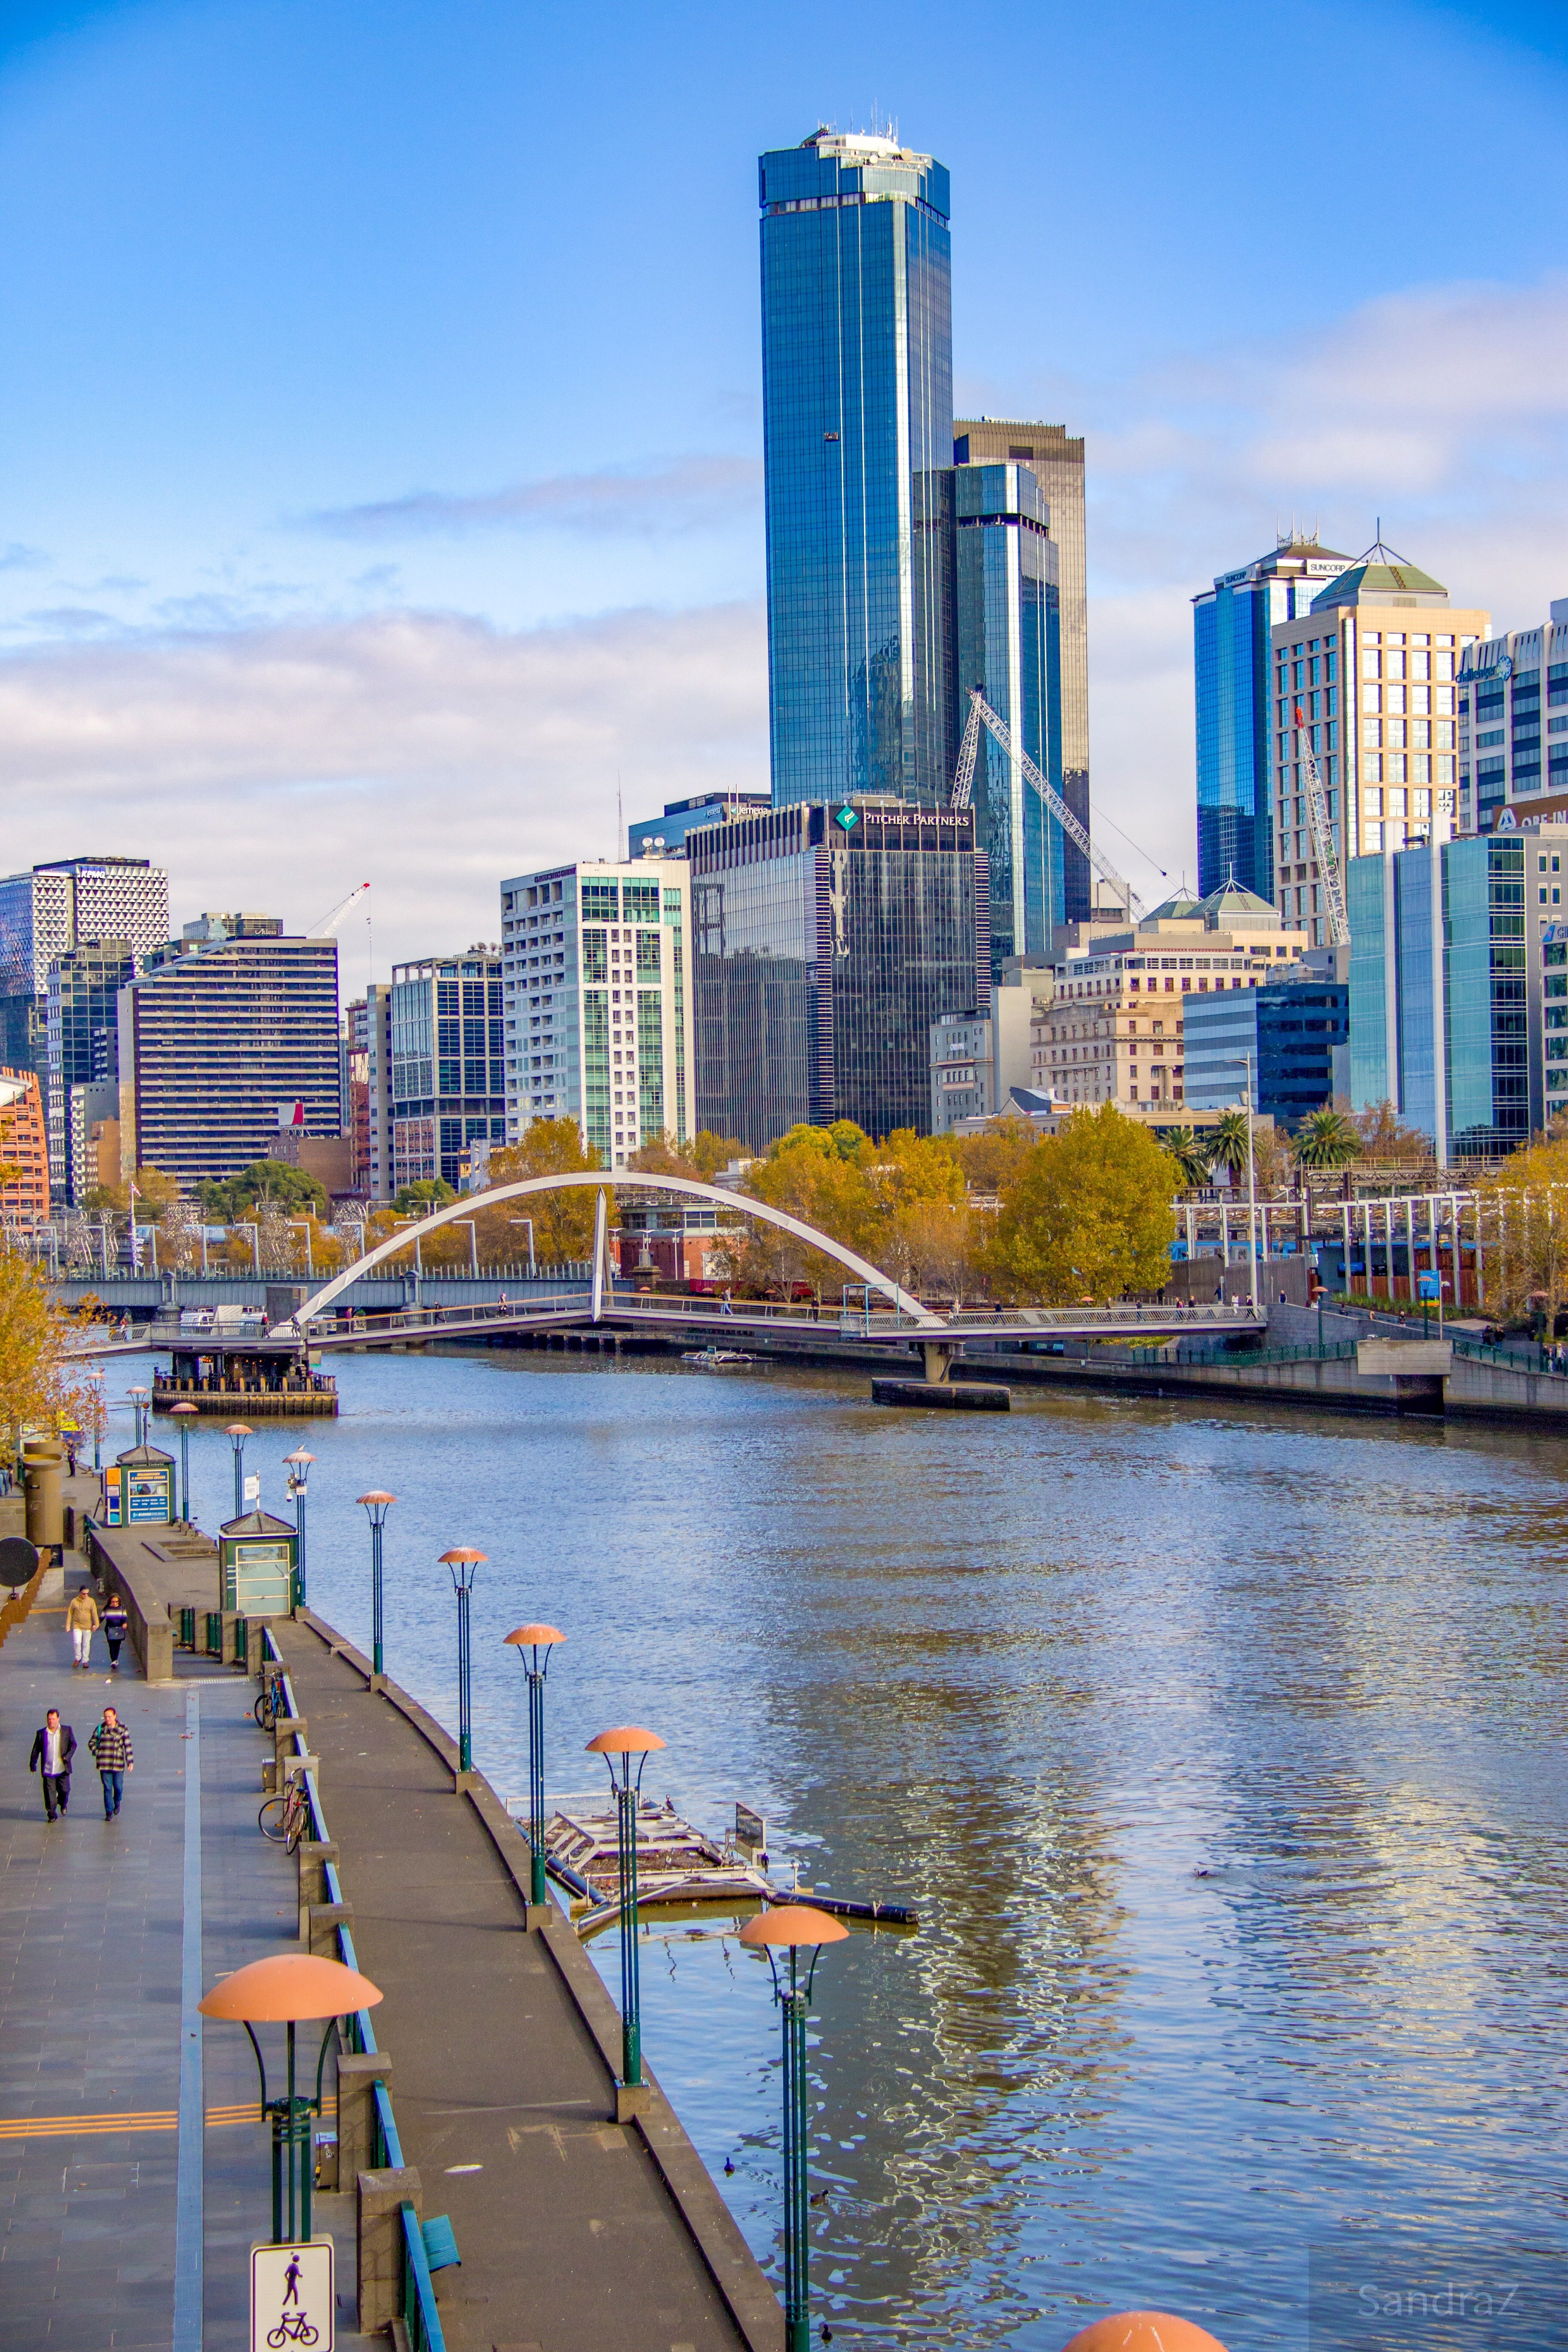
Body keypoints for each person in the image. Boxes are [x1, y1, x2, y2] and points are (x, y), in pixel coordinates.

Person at [29, 1708, 76, 1820]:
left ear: (58, 1719)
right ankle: (52, 1814)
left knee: (65, 1791)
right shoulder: (41, 1734)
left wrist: (67, 1757)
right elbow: (36, 1750)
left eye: (53, 1719)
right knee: (50, 1795)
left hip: (63, 1769)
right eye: (49, 1719)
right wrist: (33, 1764)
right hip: (48, 1770)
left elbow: (73, 1745)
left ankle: (63, 1804)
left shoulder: (67, 1730)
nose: (51, 1721)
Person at [88, 1706, 133, 1817]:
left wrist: (130, 1762)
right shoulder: (100, 1729)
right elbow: (91, 1743)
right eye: (106, 1717)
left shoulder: (122, 1728)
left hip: (118, 1764)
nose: (108, 1719)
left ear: (115, 1716)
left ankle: (117, 1803)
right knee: (107, 1788)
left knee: (118, 1787)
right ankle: (109, 1811)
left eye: (110, 1717)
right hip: (104, 1764)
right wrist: (98, 1752)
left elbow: (128, 1746)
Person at [65, 1585, 100, 1671]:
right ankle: (78, 1658)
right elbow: (70, 1613)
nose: (86, 1595)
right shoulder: (74, 1601)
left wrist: (96, 1624)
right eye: (84, 1594)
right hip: (77, 1625)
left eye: (87, 1594)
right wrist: (68, 1625)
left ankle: (85, 1661)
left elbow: (94, 1613)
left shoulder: (91, 1601)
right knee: (77, 1642)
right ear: (80, 1593)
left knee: (86, 1644)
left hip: (88, 1626)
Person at [101, 1592, 129, 1672]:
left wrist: (125, 1623)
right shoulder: (107, 1608)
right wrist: (96, 1625)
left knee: (117, 1645)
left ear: (119, 1601)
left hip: (119, 1629)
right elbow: (102, 1617)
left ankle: (116, 1659)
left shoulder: (122, 1608)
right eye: (113, 1602)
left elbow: (125, 1618)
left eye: (116, 1602)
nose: (115, 1603)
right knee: (111, 1645)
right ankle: (113, 1660)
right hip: (110, 1629)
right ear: (110, 1601)